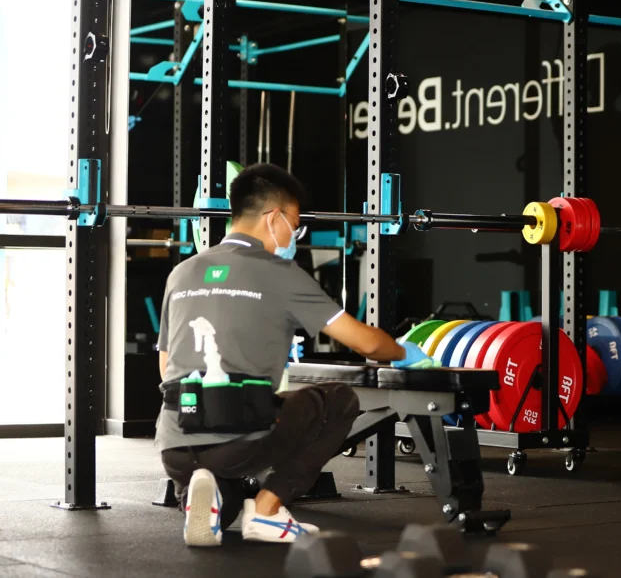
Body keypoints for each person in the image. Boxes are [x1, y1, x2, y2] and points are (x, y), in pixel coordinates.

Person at [155, 163, 432, 546]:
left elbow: (166, 366)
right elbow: (366, 343)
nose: (294, 236)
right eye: (295, 224)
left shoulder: (182, 273)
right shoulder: (279, 272)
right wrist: (405, 351)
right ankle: (267, 509)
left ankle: (204, 493)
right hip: (237, 437)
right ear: (274, 218)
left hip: (174, 442)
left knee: (228, 500)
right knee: (338, 399)